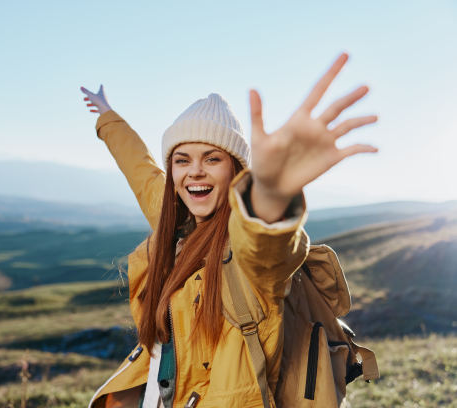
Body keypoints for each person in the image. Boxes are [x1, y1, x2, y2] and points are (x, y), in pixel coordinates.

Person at [80, 53, 377, 408]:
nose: (195, 172)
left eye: (212, 158)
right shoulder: (176, 221)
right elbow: (140, 169)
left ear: (236, 169)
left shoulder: (245, 256)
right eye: (182, 160)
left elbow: (267, 246)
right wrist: (107, 117)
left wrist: (270, 193)